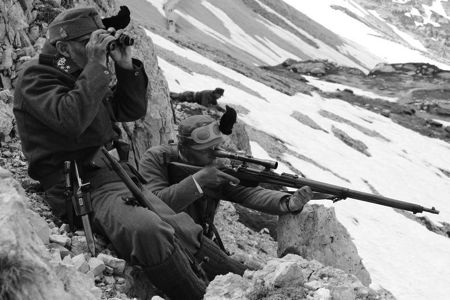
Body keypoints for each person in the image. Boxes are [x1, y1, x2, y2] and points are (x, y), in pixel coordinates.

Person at [13, 7, 244, 300]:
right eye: (89, 41)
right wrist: (96, 66)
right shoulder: (36, 77)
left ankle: (243, 280)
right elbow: (70, 121)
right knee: (148, 230)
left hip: (117, 174)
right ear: (62, 47)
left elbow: (130, 110)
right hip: (80, 185)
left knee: (177, 222)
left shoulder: (80, 70)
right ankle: (200, 294)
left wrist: (124, 66)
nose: (97, 48)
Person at [138, 114, 313, 250]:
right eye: (206, 150)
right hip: (163, 238)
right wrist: (198, 180)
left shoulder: (217, 165)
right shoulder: (157, 158)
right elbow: (153, 205)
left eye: (216, 147)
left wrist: (288, 202)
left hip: (199, 241)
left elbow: (247, 193)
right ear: (184, 147)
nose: (215, 153)